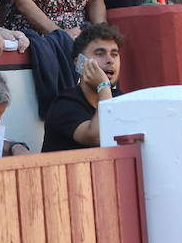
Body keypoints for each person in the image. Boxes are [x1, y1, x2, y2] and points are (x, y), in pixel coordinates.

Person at [41, 23, 124, 152]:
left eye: (114, 54)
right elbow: (98, 136)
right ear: (79, 63)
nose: (110, 60)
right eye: (100, 53)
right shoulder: (64, 104)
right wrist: (103, 85)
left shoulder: (122, 99)